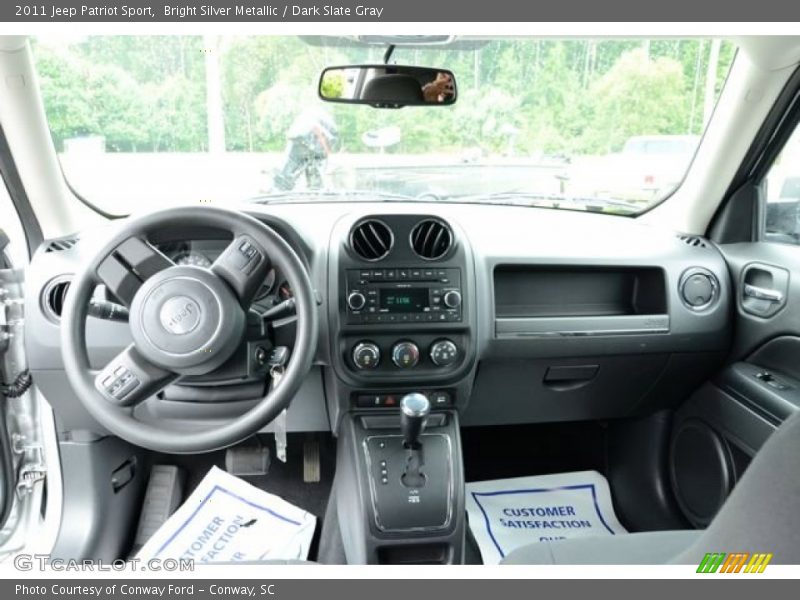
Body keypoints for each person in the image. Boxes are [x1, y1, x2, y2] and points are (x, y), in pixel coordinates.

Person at [272, 108, 340, 191]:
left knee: (287, 174)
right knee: (315, 180)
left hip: (299, 138)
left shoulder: (306, 124)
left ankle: (277, 189)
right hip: (302, 139)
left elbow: (316, 129)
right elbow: (316, 129)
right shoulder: (321, 124)